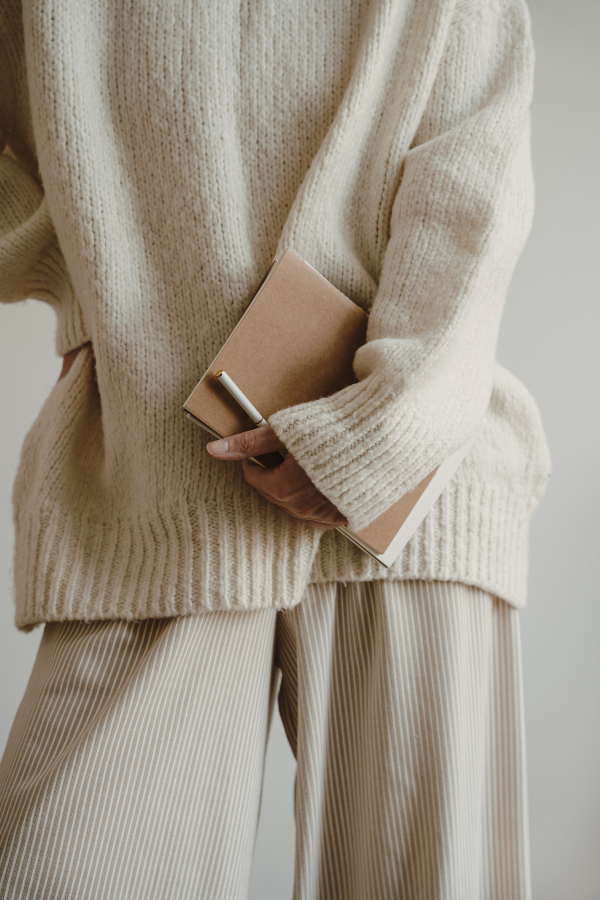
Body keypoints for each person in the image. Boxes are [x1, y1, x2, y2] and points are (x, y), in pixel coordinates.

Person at [0, 0, 551, 897]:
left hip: (411, 495)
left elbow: (475, 178)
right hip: (155, 478)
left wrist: (383, 439)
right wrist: (77, 272)